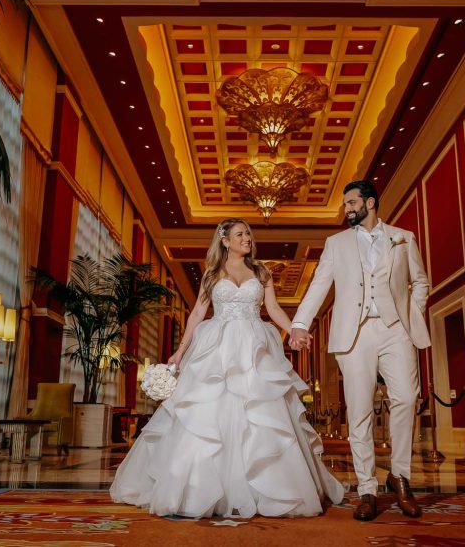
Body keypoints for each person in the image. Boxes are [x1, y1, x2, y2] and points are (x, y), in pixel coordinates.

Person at [110, 218, 344, 518]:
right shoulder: (211, 273)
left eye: (248, 233)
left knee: (258, 412)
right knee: (206, 412)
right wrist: (180, 352)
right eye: (240, 234)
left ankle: (266, 488)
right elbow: (197, 313)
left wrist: (295, 329)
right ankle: (196, 490)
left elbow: (272, 310)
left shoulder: (261, 271)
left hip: (252, 346)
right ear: (225, 241)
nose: (247, 238)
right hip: (216, 346)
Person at [290, 180, 430, 521]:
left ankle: (400, 476)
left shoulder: (403, 237)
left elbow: (420, 281)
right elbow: (320, 282)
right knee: (360, 411)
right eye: (345, 204)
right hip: (354, 334)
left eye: (351, 202)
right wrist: (300, 323)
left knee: (407, 399)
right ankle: (367, 489)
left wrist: (411, 314)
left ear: (370, 202)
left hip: (396, 329)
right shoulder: (336, 243)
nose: (346, 209)